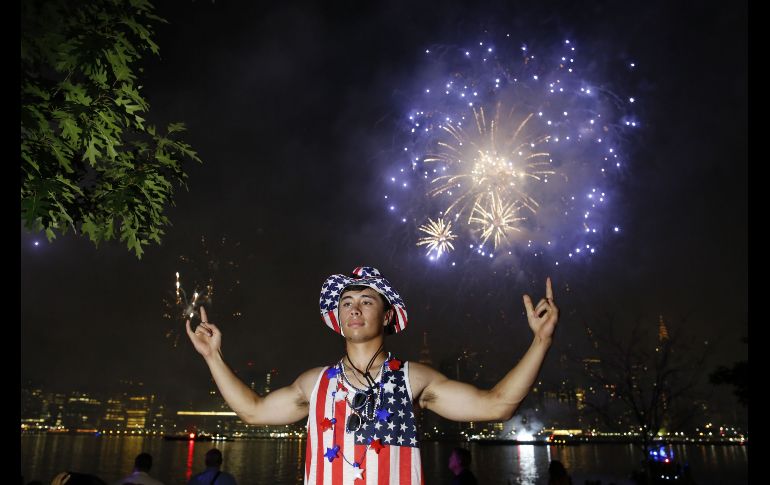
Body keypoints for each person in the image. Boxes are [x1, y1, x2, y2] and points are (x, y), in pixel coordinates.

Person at [187, 266, 559, 484]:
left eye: (367, 301)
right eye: (346, 302)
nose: (354, 308)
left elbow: (499, 405)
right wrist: (213, 356)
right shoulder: (315, 382)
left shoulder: (413, 379)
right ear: (338, 319)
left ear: (387, 316)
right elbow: (252, 411)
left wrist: (540, 341)